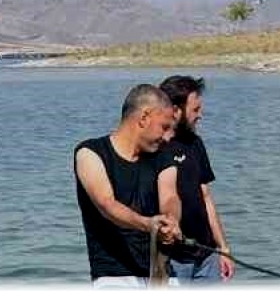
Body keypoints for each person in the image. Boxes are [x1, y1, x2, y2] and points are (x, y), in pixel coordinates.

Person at [75, 84, 183, 287]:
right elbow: (107, 204)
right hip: (113, 274)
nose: (168, 136)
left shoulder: (163, 154)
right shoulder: (90, 152)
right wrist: (148, 224)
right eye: (164, 127)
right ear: (144, 118)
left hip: (161, 271)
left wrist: (172, 221)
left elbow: (170, 196)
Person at [157, 75, 235, 284]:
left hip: (207, 256)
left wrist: (223, 249)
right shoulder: (153, 149)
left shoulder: (195, 143)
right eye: (195, 109)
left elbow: (206, 196)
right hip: (172, 260)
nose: (200, 115)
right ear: (174, 110)